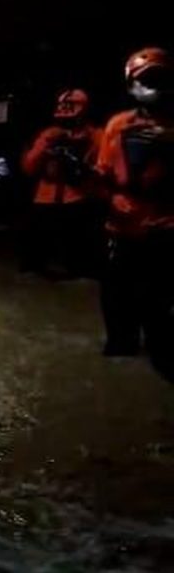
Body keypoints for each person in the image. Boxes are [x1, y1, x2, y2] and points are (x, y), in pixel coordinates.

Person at [96, 47, 174, 376]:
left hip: (166, 229)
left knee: (161, 307)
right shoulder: (117, 125)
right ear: (130, 86)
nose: (152, 87)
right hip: (121, 228)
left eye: (159, 79)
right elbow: (101, 178)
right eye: (144, 81)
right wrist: (112, 198)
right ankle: (121, 347)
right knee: (116, 301)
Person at [20, 89, 104, 278]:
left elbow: (103, 170)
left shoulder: (97, 136)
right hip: (46, 198)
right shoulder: (48, 135)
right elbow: (29, 167)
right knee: (33, 261)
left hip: (79, 198)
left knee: (80, 262)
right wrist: (46, 145)